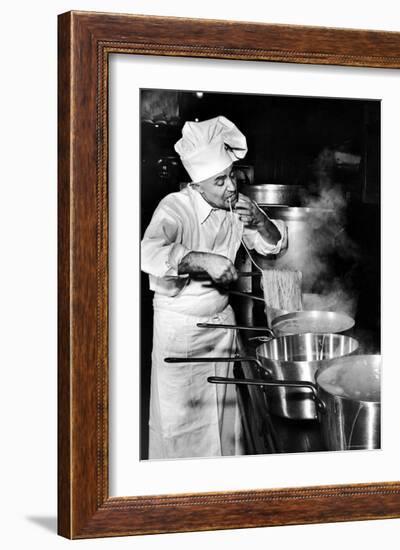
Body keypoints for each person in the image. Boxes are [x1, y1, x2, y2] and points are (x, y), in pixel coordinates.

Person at [141, 115, 287, 459]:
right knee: (182, 427)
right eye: (220, 181)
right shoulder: (175, 208)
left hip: (221, 329)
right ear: (197, 185)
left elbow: (273, 245)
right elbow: (147, 251)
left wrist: (261, 221)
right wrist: (201, 260)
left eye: (232, 176)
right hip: (182, 334)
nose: (231, 187)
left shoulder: (234, 205)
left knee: (224, 423)